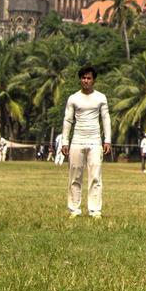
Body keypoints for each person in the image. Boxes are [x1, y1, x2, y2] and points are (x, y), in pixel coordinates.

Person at [61, 65, 112, 218]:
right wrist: (65, 141)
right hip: (77, 140)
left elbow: (106, 119)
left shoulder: (101, 98)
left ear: (94, 80)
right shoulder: (73, 98)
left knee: (95, 176)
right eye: (83, 78)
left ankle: (95, 210)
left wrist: (107, 140)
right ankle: (74, 209)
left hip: (95, 141)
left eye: (89, 78)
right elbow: (68, 120)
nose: (86, 81)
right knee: (75, 176)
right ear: (80, 79)